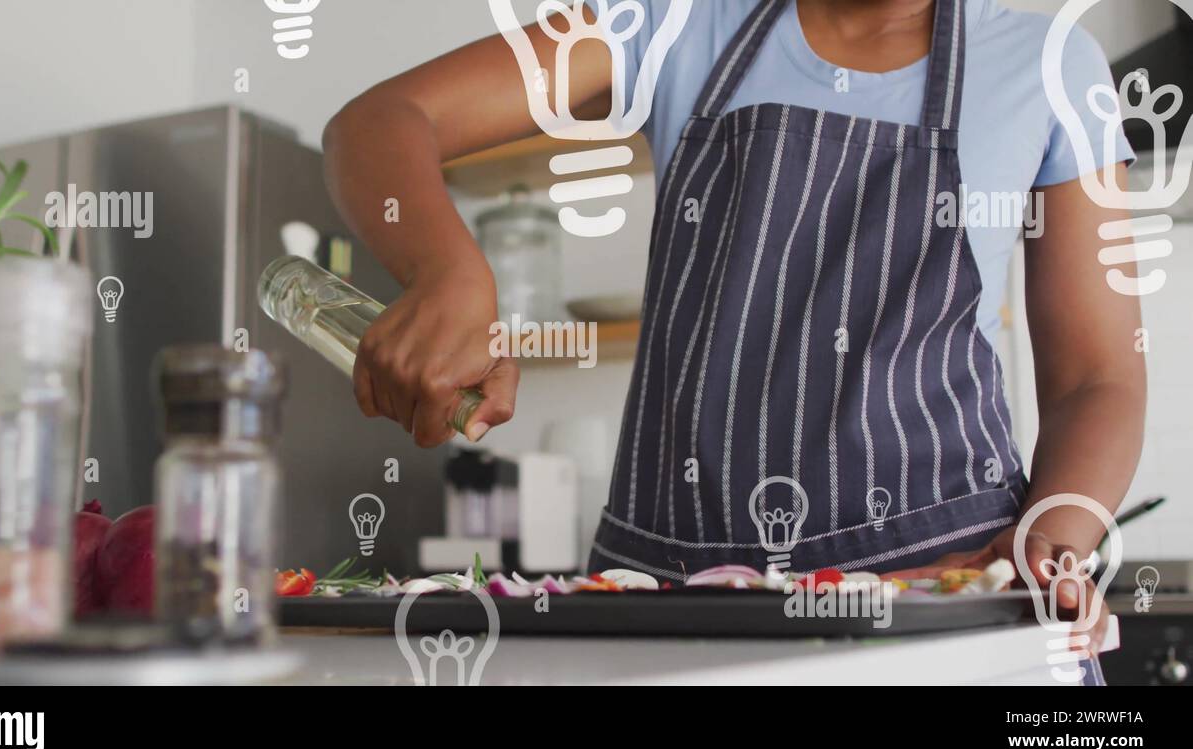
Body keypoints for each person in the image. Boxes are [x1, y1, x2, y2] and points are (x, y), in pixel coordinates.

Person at [321, 0, 1146, 655]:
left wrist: (1056, 529)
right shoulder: (672, 26)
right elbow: (385, 119)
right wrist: (449, 271)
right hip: (668, 612)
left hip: (940, 590)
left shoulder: (1051, 70)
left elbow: (1096, 377)